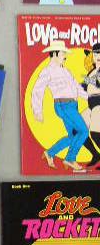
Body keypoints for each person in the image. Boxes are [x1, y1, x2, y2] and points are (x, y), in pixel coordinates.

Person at [31, 39, 89, 171]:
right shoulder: (48, 71)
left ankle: (50, 153)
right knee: (83, 131)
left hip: (72, 105)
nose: (65, 56)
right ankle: (70, 159)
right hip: (64, 106)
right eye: (63, 53)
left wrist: (89, 97)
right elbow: (37, 90)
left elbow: (77, 87)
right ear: (55, 54)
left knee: (72, 136)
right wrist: (37, 111)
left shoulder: (66, 71)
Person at [81, 43, 100, 167]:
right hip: (91, 105)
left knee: (95, 133)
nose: (99, 56)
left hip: (99, 104)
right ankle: (96, 154)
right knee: (77, 130)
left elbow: (98, 84)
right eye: (96, 54)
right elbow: (86, 86)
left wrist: (85, 81)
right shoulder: (92, 71)